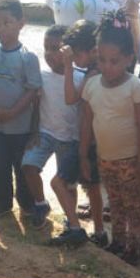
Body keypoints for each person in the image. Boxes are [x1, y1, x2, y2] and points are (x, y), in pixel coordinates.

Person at [79, 9, 140, 266]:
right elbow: (87, 122)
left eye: (115, 61)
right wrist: (84, 155)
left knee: (134, 205)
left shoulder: (136, 87)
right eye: (102, 60)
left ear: (129, 58)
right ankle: (118, 241)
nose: (107, 66)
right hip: (104, 158)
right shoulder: (92, 85)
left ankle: (134, 248)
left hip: (130, 160)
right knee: (116, 203)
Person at [0, 0, 42, 220]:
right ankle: (1, 203)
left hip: (19, 127)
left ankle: (27, 204)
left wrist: (13, 112)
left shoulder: (28, 57)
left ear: (21, 23)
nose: (1, 28)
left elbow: (32, 91)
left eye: (7, 22)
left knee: (22, 168)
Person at [49, 20, 106, 247]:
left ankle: (75, 227)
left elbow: (71, 99)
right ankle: (100, 232)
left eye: (76, 55)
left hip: (86, 142)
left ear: (92, 51)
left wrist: (68, 67)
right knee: (92, 188)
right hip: (95, 141)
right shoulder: (99, 71)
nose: (73, 59)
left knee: (58, 182)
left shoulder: (92, 76)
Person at [29, 24, 84, 239]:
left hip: (69, 139)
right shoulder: (41, 76)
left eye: (56, 48)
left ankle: (71, 220)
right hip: (45, 133)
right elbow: (35, 104)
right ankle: (41, 204)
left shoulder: (79, 78)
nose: (50, 54)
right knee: (29, 165)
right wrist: (33, 131)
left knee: (68, 183)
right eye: (46, 47)